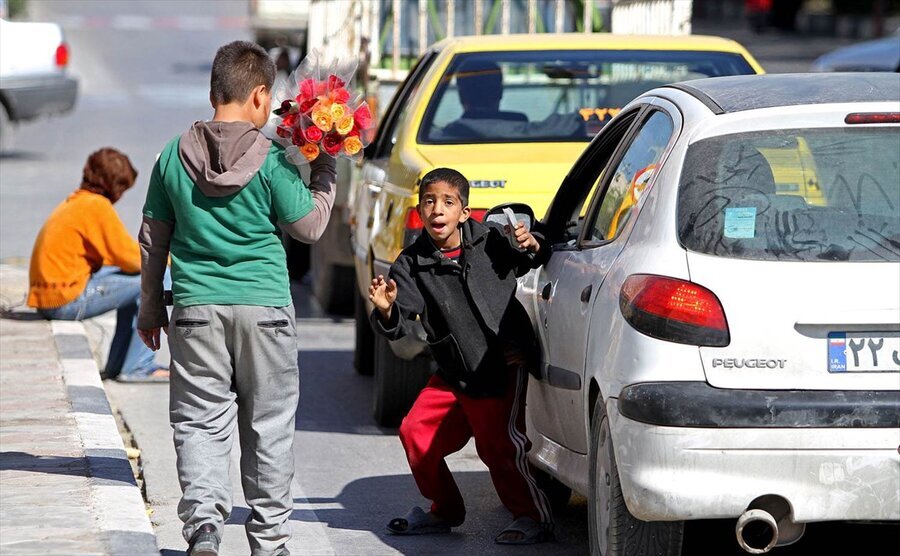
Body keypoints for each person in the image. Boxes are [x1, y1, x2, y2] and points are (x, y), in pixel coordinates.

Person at [137, 40, 336, 556]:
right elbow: (310, 227)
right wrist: (326, 171)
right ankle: (268, 541)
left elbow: (153, 238)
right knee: (268, 425)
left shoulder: (171, 158)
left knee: (200, 420)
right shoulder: (271, 159)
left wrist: (151, 308)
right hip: (265, 309)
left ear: (212, 93)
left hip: (196, 311)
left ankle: (204, 527)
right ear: (261, 97)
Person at [368, 167, 554, 545]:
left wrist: (531, 241)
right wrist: (386, 309)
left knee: (498, 446)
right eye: (429, 202)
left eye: (448, 202)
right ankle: (445, 509)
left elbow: (531, 256)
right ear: (420, 210)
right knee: (415, 432)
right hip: (456, 368)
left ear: (464, 212)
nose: (438, 210)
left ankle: (531, 516)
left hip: (502, 363)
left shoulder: (489, 240)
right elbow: (401, 318)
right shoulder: (412, 262)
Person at [27, 148, 169, 382]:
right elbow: (131, 258)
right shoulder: (96, 206)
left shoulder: (76, 201)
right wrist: (168, 258)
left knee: (138, 281)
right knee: (158, 275)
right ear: (115, 187)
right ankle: (138, 367)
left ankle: (119, 366)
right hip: (65, 299)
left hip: (50, 297)